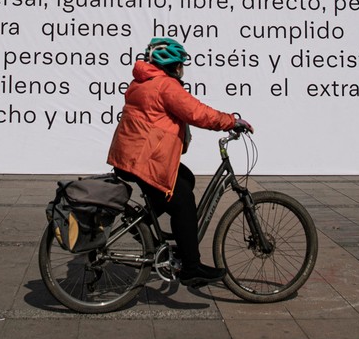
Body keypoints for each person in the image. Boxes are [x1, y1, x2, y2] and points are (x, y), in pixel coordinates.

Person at [107, 37, 253, 287]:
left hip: (132, 156)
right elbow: (197, 113)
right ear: (174, 66)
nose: (183, 70)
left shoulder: (141, 82)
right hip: (145, 160)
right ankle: (191, 267)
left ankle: (142, 223)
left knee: (185, 179)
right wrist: (232, 121)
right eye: (181, 65)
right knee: (184, 202)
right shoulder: (165, 86)